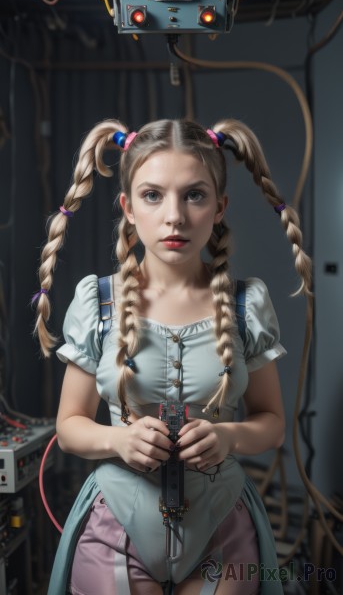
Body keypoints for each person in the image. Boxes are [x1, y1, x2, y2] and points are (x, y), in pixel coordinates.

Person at [32, 118, 312, 595]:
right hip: (115, 525)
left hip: (223, 521)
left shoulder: (248, 304)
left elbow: (272, 424)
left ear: (220, 207)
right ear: (128, 207)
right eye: (153, 195)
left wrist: (227, 436)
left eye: (195, 195)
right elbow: (70, 426)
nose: (175, 217)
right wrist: (119, 442)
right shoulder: (98, 302)